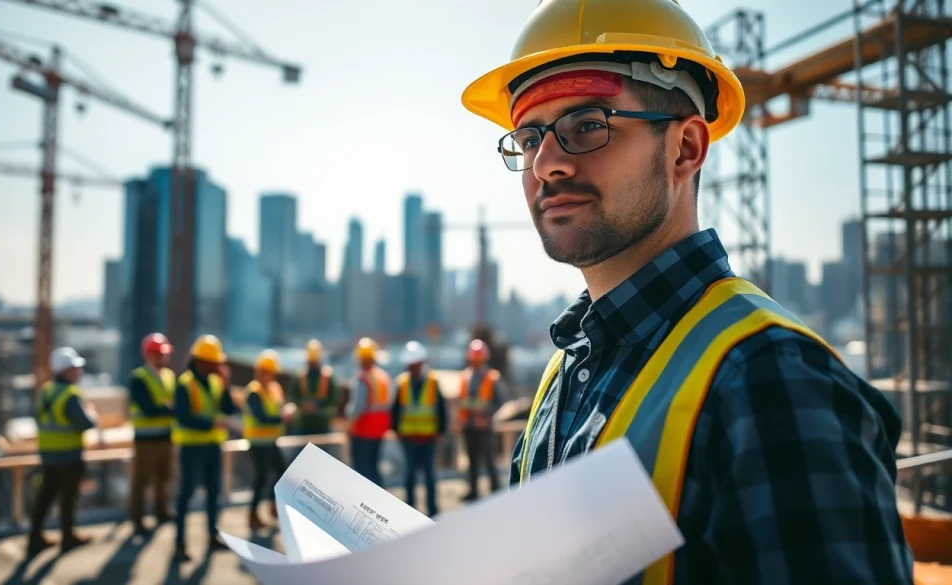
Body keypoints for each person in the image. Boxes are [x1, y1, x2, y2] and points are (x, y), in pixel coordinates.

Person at [460, 0, 914, 582]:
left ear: (685, 149)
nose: (545, 163)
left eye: (587, 126)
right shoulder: (567, 368)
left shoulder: (773, 381)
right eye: (528, 137)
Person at [172, 334, 238, 560]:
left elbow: (229, 409)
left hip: (212, 446)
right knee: (186, 494)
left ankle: (212, 535)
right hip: (191, 447)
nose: (218, 365)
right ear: (202, 361)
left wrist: (227, 385)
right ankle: (180, 542)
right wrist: (211, 423)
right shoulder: (184, 384)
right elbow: (183, 418)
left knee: (213, 493)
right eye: (215, 361)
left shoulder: (216, 382)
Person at [27, 347, 96, 556]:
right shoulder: (70, 394)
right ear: (65, 371)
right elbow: (85, 423)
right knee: (68, 498)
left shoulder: (47, 391)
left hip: (48, 454)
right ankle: (68, 537)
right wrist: (92, 413)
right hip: (69, 455)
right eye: (75, 368)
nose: (78, 372)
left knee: (45, 496)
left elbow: (38, 418)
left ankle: (34, 538)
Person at [127, 332, 177, 537]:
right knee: (141, 481)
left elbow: (172, 404)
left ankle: (161, 511)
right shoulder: (139, 378)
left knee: (163, 477)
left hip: (166, 437)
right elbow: (148, 409)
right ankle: (137, 520)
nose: (162, 358)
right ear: (147, 355)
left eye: (163, 354)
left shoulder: (169, 376)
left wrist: (167, 408)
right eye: (157, 354)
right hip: (146, 440)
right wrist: (169, 408)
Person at [391, 341, 446, 517]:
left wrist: (440, 431)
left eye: (415, 364)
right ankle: (410, 510)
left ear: (421, 363)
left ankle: (432, 510)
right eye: (410, 365)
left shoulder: (432, 382)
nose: (413, 367)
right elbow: (396, 409)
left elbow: (441, 408)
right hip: (408, 437)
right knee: (410, 475)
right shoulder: (402, 383)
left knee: (430, 475)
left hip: (428, 437)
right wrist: (396, 430)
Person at [243, 349, 292, 530]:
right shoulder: (253, 391)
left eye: (270, 372)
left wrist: (284, 414)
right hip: (257, 442)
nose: (268, 375)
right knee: (261, 478)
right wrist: (282, 417)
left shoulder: (274, 389)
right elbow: (261, 417)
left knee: (281, 473)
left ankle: (273, 505)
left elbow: (279, 408)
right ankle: (253, 514)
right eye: (264, 371)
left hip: (271, 440)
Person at [457, 339, 504, 501]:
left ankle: (495, 490)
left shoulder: (492, 378)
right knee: (472, 461)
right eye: (474, 361)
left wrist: (485, 412)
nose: (476, 364)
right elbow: (461, 400)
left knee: (490, 461)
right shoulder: (465, 377)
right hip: (469, 426)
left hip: (485, 426)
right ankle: (473, 491)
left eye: (479, 361)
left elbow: (499, 402)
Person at [345, 337, 393, 486]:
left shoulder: (363, 379)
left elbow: (357, 407)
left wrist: (349, 425)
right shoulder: (383, 377)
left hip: (363, 430)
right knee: (374, 466)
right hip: (379, 430)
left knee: (362, 469)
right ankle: (379, 501)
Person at [287, 339, 338, 435]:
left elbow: (334, 398)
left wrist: (317, 406)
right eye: (311, 362)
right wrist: (303, 404)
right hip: (303, 423)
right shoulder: (300, 376)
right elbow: (293, 395)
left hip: (322, 423)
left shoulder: (327, 376)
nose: (313, 365)